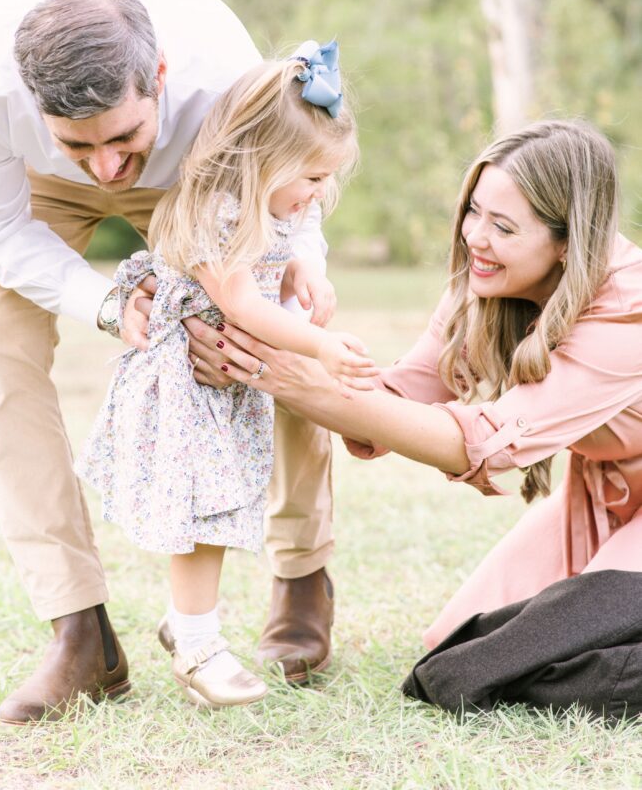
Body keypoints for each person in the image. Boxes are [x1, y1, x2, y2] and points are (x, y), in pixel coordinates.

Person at [0, 0, 337, 725]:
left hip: (199, 167)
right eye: (79, 142)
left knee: (272, 340)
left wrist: (304, 261)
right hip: (35, 188)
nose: (105, 168)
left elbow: (290, 170)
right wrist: (105, 300)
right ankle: (80, 631)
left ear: (159, 74)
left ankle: (301, 572)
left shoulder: (221, 73)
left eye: (120, 137)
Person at [181, 119, 642, 671]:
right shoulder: (486, 283)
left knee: (513, 663)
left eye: (503, 226)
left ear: (568, 241)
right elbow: (400, 392)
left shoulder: (626, 306)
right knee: (457, 653)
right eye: (474, 210)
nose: (475, 236)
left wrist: (288, 378)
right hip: (602, 496)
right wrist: (266, 351)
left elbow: (479, 444)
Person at [75, 46, 373, 708]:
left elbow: (287, 244)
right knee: (201, 514)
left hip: (224, 386)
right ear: (262, 163)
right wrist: (320, 346)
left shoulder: (268, 206)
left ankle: (190, 629)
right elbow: (241, 304)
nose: (320, 194)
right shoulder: (215, 212)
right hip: (188, 387)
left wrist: (305, 265)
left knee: (220, 510)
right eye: (313, 177)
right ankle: (195, 642)